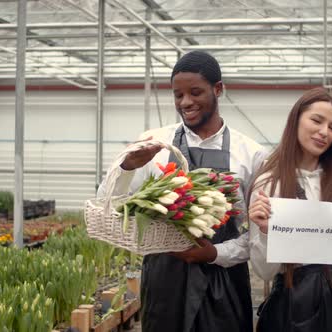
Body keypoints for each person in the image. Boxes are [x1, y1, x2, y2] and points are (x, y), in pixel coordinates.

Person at [97, 51, 268, 332]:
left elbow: (259, 234)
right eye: (178, 95)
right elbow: (109, 203)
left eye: (195, 92)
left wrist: (216, 253)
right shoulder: (156, 143)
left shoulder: (250, 153)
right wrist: (127, 167)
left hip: (223, 283)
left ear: (218, 89)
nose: (185, 102)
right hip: (165, 282)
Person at [247, 87, 332, 332]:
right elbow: (264, 272)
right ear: (296, 119)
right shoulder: (269, 184)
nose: (324, 133)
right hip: (293, 306)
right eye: (317, 121)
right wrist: (267, 234)